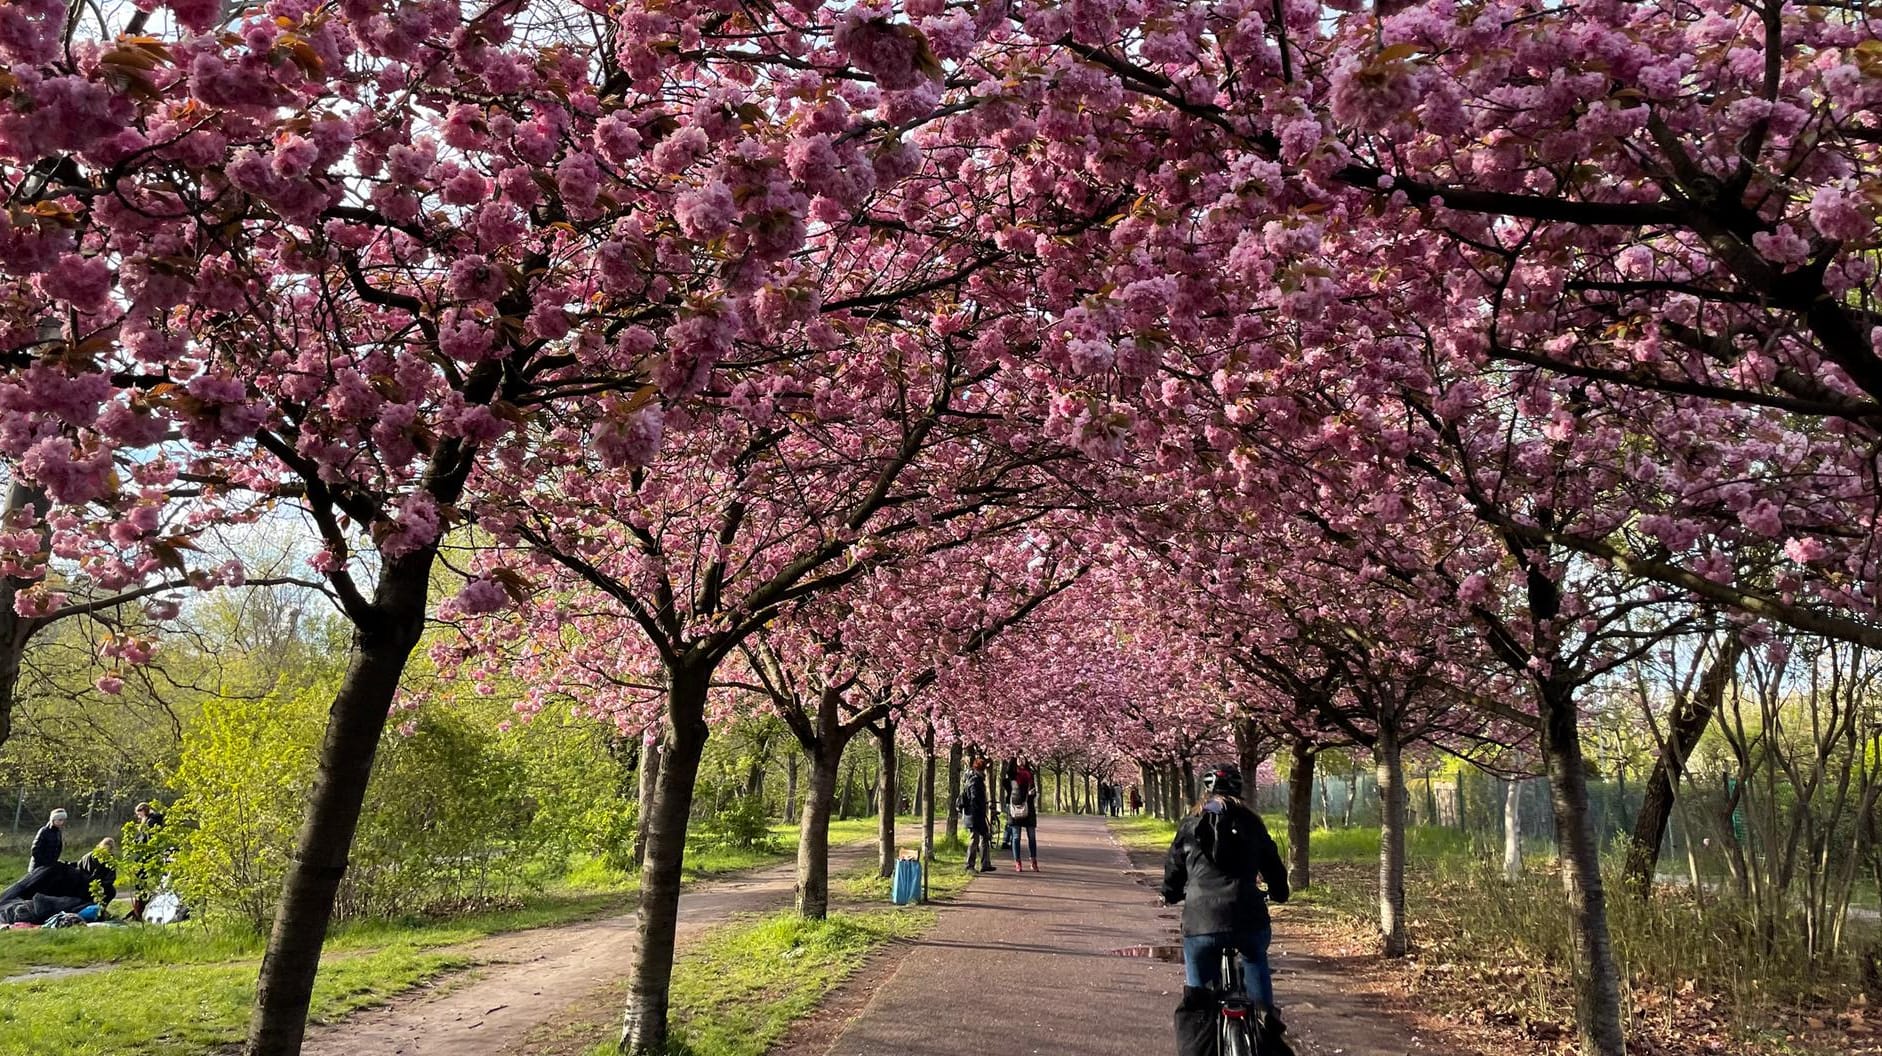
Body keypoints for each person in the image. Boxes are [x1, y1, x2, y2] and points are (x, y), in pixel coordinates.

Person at [1161, 763, 1290, 1055]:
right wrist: (1280, 892)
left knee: (1198, 1002)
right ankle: (1264, 1015)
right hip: (1248, 918)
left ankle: (1200, 1031)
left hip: (1201, 921)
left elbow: (1174, 868)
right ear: (1239, 791)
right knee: (1255, 955)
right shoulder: (1252, 823)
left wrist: (1170, 894)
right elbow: (1272, 865)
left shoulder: (1190, 824)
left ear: (1205, 791)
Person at [958, 755, 995, 873]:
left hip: (976, 814)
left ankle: (985, 863)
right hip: (974, 815)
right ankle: (970, 865)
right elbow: (974, 799)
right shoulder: (975, 781)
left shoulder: (974, 780)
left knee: (984, 837)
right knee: (974, 839)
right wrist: (980, 809)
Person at [1006, 760, 1040, 871]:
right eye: (1018, 758)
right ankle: (1018, 862)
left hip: (1028, 808)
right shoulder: (1013, 775)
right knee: (1016, 837)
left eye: (1023, 757)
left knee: (1032, 836)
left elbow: (1033, 790)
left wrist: (1032, 793)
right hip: (1015, 808)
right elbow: (1009, 770)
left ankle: (1033, 861)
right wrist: (1013, 755)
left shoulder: (1030, 774)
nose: (1021, 760)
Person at [28, 808, 66, 872]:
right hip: (38, 867)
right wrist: (45, 863)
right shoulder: (43, 831)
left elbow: (59, 848)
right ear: (53, 819)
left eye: (63, 820)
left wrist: (53, 862)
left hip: (49, 867)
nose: (62, 822)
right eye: (59, 820)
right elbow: (35, 851)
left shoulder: (58, 832)